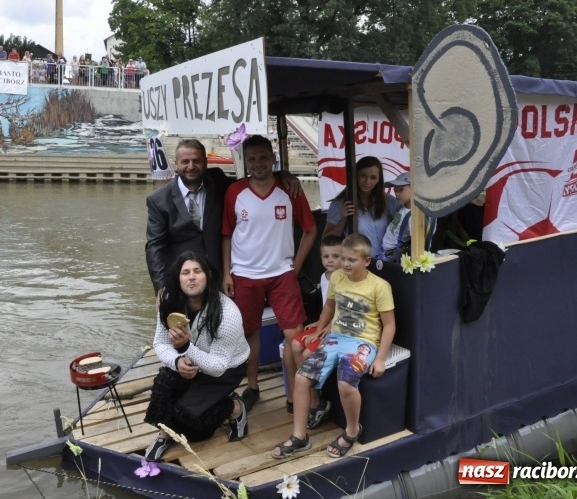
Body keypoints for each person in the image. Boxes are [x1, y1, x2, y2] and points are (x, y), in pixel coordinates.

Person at [272, 234, 396, 459]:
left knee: (346, 382)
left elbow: (389, 325)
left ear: (366, 261)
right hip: (336, 338)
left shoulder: (380, 286)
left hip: (363, 342)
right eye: (343, 259)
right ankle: (300, 436)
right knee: (301, 378)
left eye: (352, 260)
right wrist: (321, 328)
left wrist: (380, 358)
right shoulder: (337, 277)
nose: (345, 264)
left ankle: (352, 430)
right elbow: (329, 306)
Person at [222, 135, 317, 412]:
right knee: (250, 331)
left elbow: (310, 230)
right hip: (244, 274)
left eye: (263, 157)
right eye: (252, 158)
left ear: (273, 158)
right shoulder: (235, 192)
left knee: (294, 334)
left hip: (281, 273)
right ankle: (252, 387)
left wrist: (295, 266)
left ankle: (296, 395)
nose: (258, 163)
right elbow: (226, 234)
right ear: (245, 162)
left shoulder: (290, 190)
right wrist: (227, 272)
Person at [145, 139, 301, 296]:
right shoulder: (159, 201)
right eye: (185, 161)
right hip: (184, 280)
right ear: (176, 163)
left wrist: (282, 175)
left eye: (197, 161)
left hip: (218, 278)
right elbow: (154, 246)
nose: (191, 167)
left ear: (205, 162)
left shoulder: (217, 181)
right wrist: (161, 286)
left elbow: (253, 180)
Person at [143, 251, 249, 461]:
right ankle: (165, 433)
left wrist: (185, 348)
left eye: (197, 271)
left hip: (226, 368)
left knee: (197, 429)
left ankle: (233, 407)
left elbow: (218, 366)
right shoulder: (168, 301)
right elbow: (161, 342)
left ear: (208, 275)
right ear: (178, 278)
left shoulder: (227, 314)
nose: (191, 277)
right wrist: (177, 361)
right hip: (188, 359)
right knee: (163, 385)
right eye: (185, 272)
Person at [285, 235, 342, 418]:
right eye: (326, 256)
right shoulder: (324, 277)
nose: (330, 260)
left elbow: (342, 309)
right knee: (295, 344)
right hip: (325, 323)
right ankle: (312, 395)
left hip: (338, 326)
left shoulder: (344, 278)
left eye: (336, 256)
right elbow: (327, 305)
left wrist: (327, 327)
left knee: (308, 353)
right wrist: (320, 322)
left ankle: (316, 402)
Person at [323, 156, 401, 258]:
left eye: (373, 177)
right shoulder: (341, 204)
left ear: (379, 179)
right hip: (360, 266)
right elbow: (326, 239)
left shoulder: (389, 201)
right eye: (363, 176)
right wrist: (344, 219)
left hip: (388, 265)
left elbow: (405, 228)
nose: (367, 181)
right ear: (355, 176)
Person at [381, 172, 413, 261]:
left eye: (401, 189)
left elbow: (415, 242)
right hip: (385, 252)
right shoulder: (402, 207)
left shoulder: (413, 216)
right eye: (395, 190)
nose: (397, 193)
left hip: (393, 255)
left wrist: (402, 251)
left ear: (414, 188)